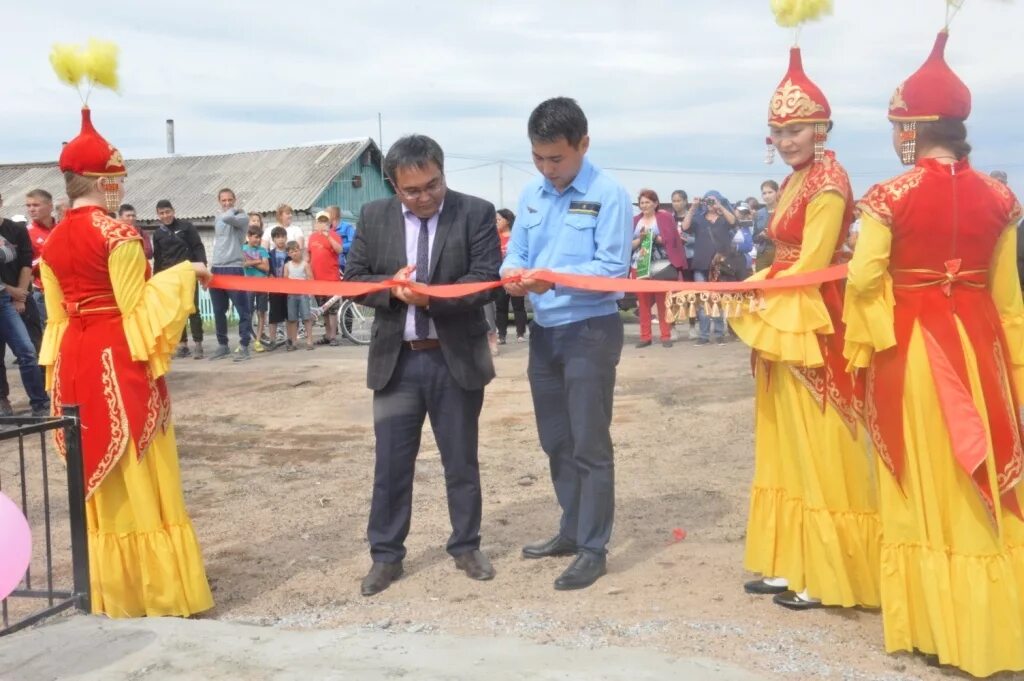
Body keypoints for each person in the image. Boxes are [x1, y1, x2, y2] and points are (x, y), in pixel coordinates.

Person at [844, 28, 1024, 677]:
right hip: (981, 353)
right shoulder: (1003, 200)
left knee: (923, 482)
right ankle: (989, 629)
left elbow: (864, 279)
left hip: (917, 355)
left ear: (914, 127)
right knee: (975, 478)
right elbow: (1008, 300)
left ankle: (930, 626)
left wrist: (869, 325)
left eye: (900, 125)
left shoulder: (889, 197)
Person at [38, 102, 212, 618]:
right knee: (139, 462)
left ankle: (113, 593)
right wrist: (187, 274)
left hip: (73, 361)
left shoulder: (49, 245)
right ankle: (158, 591)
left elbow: (57, 319)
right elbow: (137, 310)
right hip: (117, 359)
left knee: (94, 461)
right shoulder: (118, 235)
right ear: (101, 178)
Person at [728, 44, 880, 611]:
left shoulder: (829, 182)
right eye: (778, 131)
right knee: (783, 440)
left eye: (797, 129)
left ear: (822, 128)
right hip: (784, 308)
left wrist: (757, 289)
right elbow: (786, 255)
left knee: (821, 441)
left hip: (815, 316)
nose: (786, 140)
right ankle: (790, 561)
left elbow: (813, 263)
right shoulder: (799, 179)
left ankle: (828, 572)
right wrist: (755, 284)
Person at [345, 134, 500, 597]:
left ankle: (466, 545)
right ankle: (386, 556)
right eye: (412, 191)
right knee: (391, 466)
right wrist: (391, 289)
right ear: (394, 186)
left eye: (433, 184)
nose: (426, 196)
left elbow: (485, 280)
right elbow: (353, 280)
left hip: (456, 361)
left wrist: (431, 298)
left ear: (442, 173)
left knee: (461, 460)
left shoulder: (474, 212)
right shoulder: (373, 217)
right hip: (398, 364)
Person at [502, 97, 631, 591]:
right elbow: (515, 252)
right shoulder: (533, 194)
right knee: (556, 441)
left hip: (589, 331)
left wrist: (550, 280)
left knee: (589, 443)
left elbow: (611, 269)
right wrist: (512, 275)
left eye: (556, 158)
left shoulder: (608, 193)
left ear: (583, 145)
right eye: (538, 157)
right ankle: (572, 528)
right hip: (545, 334)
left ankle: (594, 548)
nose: (547, 168)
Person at [0, 196, 48, 418]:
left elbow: (26, 263)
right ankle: (3, 401)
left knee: (27, 350)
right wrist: (13, 291)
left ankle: (39, 401)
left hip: (12, 300)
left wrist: (20, 295)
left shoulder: (16, 230)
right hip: (7, 294)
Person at [631, 188, 686, 348]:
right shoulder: (635, 220)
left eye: (648, 202)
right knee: (643, 302)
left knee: (662, 302)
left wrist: (655, 238)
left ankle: (665, 335)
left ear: (655, 203)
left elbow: (671, 240)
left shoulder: (664, 218)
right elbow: (629, 244)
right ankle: (645, 336)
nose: (644, 205)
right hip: (639, 264)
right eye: (642, 202)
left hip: (660, 265)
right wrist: (640, 240)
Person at [152, 199, 207, 359]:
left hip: (188, 274)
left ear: (173, 211)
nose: (165, 215)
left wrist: (202, 268)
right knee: (177, 312)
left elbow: (198, 247)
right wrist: (156, 278)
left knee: (193, 309)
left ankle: (198, 344)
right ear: (158, 215)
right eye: (162, 213)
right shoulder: (158, 233)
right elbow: (158, 257)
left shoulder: (186, 227)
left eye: (167, 212)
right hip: (169, 277)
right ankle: (182, 345)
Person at [680, 191, 735, 345]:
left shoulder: (724, 219)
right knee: (703, 300)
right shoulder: (698, 219)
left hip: (719, 265)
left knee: (717, 300)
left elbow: (733, 221)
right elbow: (685, 227)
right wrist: (693, 207)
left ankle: (719, 334)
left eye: (713, 201)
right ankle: (703, 335)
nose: (710, 204)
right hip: (701, 265)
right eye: (708, 201)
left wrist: (720, 207)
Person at [208, 188, 253, 361]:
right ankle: (222, 345)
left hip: (234, 267)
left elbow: (227, 217)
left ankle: (244, 346)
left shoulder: (241, 217)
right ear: (218, 201)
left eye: (229, 200)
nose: (226, 203)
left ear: (235, 200)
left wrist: (232, 210)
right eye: (223, 200)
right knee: (218, 310)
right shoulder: (217, 219)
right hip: (217, 268)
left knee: (243, 309)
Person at [307, 211, 343, 346]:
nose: (322, 224)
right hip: (317, 279)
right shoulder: (312, 237)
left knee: (332, 309)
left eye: (324, 221)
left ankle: (333, 336)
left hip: (332, 278)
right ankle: (327, 335)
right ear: (316, 223)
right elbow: (309, 256)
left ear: (329, 223)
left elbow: (339, 250)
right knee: (324, 310)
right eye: (320, 221)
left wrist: (328, 236)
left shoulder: (335, 235)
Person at [494, 208, 527, 344]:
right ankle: (501, 335)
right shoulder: (494, 237)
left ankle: (520, 333)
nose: (496, 222)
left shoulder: (516, 237)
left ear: (507, 221)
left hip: (515, 277)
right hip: (499, 278)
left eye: (498, 220)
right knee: (501, 307)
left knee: (518, 306)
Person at [25, 189, 56, 327]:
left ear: (50, 206)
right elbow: (24, 266)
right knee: (49, 336)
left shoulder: (62, 228)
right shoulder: (26, 233)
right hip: (43, 293)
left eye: (36, 205)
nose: (31, 209)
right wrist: (45, 257)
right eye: (28, 205)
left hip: (68, 291)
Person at [242, 225, 270, 352]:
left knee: (261, 312)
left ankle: (258, 340)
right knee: (247, 311)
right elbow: (243, 264)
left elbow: (266, 268)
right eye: (255, 237)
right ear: (249, 236)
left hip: (262, 284)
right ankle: (245, 340)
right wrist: (257, 261)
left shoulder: (263, 250)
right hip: (248, 284)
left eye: (259, 238)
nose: (257, 240)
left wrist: (251, 262)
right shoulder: (243, 248)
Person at [283, 240, 314, 351]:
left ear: (300, 251)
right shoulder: (287, 265)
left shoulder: (305, 264)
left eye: (296, 250)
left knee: (306, 317)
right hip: (291, 295)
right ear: (289, 254)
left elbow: (310, 277)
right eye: (292, 251)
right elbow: (285, 279)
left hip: (303, 294)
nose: (295, 253)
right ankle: (294, 341)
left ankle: (309, 340)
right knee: (292, 319)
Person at [266, 226, 289, 349]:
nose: (280, 239)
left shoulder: (290, 252)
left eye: (282, 237)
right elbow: (268, 270)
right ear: (273, 240)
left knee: (289, 315)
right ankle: (272, 341)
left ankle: (290, 340)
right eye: (277, 237)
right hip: (275, 289)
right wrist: (270, 275)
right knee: (273, 315)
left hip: (289, 289)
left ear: (286, 238)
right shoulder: (270, 254)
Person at [753, 180, 779, 272]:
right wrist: (761, 235)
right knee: (760, 282)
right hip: (762, 253)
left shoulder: (784, 210)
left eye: (770, 192)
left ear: (777, 192)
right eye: (764, 193)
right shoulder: (758, 214)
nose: (767, 196)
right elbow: (754, 238)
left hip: (780, 253)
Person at [327, 205, 356, 274]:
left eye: (327, 213)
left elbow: (353, 244)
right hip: (333, 265)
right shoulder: (328, 230)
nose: (325, 215)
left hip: (346, 264)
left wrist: (339, 247)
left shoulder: (347, 227)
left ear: (333, 215)